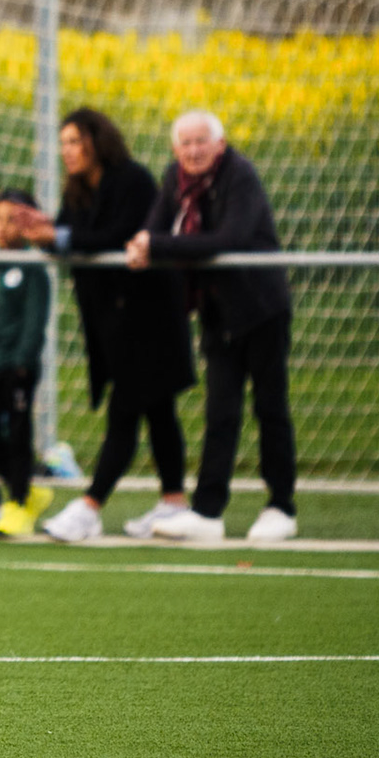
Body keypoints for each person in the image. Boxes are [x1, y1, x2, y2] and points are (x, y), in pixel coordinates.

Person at [17, 109, 196, 543]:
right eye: (63, 143)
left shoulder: (132, 180)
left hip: (149, 319)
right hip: (112, 324)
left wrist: (58, 238)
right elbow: (69, 236)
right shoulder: (78, 191)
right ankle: (173, 501)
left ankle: (90, 505)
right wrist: (43, 233)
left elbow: (121, 235)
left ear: (97, 142)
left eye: (75, 142)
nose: (67, 151)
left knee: (126, 412)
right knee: (158, 412)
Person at [127, 110, 297, 543]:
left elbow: (228, 239)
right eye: (185, 143)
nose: (193, 150)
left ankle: (281, 506)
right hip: (217, 312)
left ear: (219, 144)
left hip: (261, 307)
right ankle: (206, 512)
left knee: (270, 408)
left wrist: (155, 245)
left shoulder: (240, 175)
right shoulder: (174, 178)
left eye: (201, 141)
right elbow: (152, 229)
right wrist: (142, 244)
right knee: (220, 413)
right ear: (174, 149)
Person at [0, 190, 53, 536]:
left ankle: (17, 501)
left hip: (16, 367)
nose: (2, 228)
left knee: (18, 434)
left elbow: (34, 319)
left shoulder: (32, 268)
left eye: (12, 220)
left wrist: (22, 360)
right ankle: (26, 491)